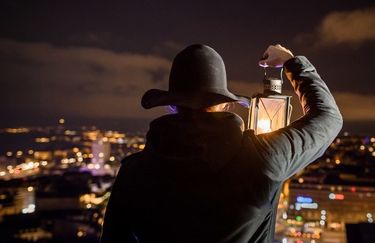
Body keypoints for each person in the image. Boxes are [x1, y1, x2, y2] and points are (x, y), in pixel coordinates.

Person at [100, 44, 343, 243]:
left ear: (171, 106)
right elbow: (328, 118)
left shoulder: (134, 172)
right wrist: (291, 63)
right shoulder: (262, 158)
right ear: (225, 104)